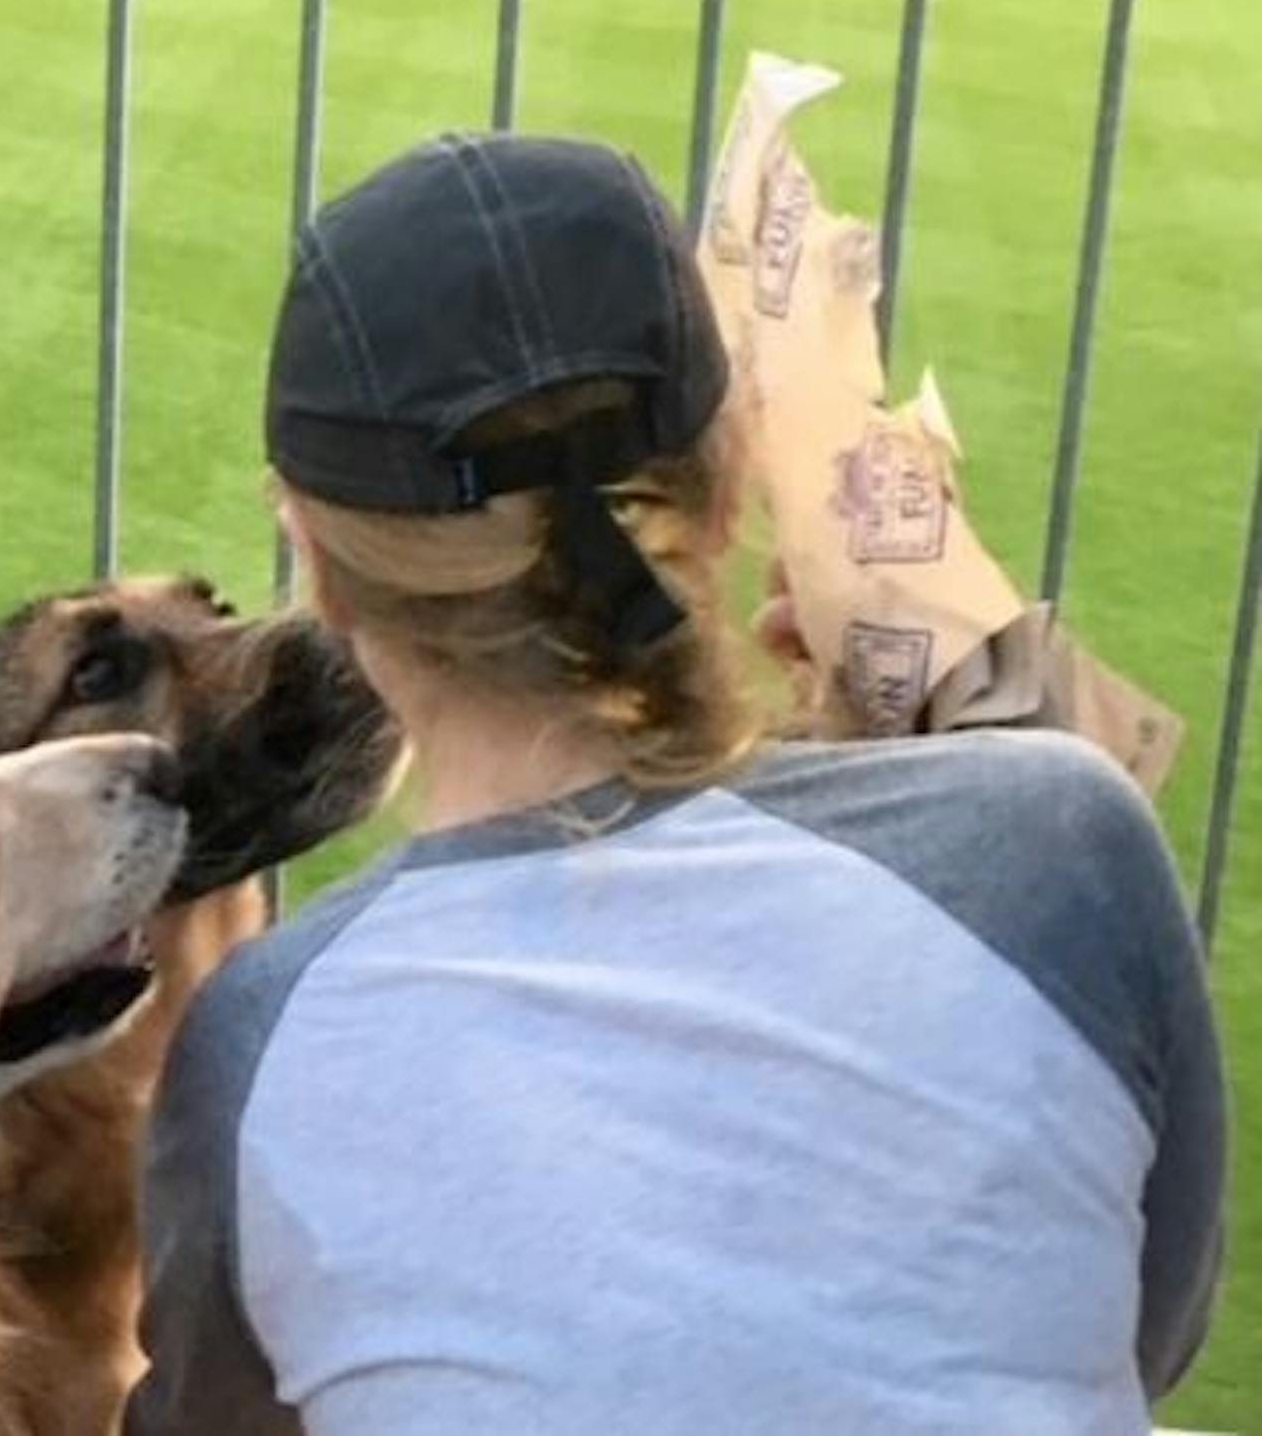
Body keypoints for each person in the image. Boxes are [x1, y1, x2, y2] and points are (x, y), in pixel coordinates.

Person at [126, 133, 1224, 1435]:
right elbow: (1142, 1332)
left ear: (316, 556)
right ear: (728, 475)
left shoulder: (261, 1043)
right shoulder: (1061, 837)